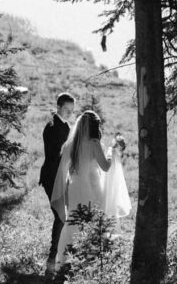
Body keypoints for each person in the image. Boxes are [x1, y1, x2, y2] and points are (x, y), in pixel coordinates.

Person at [51, 109, 131, 269]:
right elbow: (106, 167)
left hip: (74, 188)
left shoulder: (70, 144)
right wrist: (112, 151)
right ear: (95, 126)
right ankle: (93, 259)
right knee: (95, 219)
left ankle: (68, 259)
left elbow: (65, 174)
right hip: (92, 188)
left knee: (75, 220)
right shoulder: (93, 144)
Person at [39, 91, 75, 274]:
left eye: (72, 110)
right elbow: (55, 154)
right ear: (59, 107)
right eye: (66, 109)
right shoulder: (53, 126)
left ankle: (60, 257)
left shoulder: (65, 126)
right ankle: (52, 260)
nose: (69, 112)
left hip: (60, 175)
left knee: (64, 217)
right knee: (61, 216)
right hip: (52, 176)